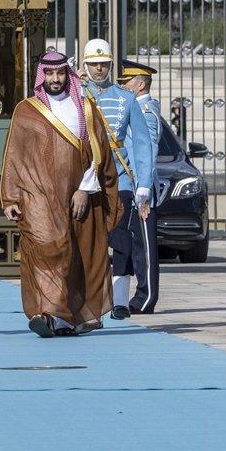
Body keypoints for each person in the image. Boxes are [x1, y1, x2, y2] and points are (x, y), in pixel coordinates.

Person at [1, 51, 120, 337]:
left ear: (68, 74)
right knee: (46, 249)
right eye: (50, 73)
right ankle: (47, 313)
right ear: (42, 75)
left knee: (76, 254)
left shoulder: (86, 107)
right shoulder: (27, 110)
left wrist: (84, 189)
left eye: (60, 73)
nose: (55, 79)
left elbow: (98, 154)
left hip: (78, 195)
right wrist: (10, 197)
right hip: (37, 198)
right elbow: (14, 156)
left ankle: (66, 318)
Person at [79, 40, 155, 321]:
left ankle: (120, 299)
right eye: (94, 64)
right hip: (85, 178)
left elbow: (143, 143)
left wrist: (143, 183)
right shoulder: (77, 95)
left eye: (105, 64)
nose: (100, 69)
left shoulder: (126, 98)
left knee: (121, 237)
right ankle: (90, 300)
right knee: (89, 240)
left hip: (119, 177)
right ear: (85, 65)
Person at [119, 59, 163, 314]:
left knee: (145, 247)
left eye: (127, 81)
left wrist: (142, 188)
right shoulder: (134, 108)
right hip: (131, 184)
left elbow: (149, 150)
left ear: (141, 84)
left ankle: (146, 298)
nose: (123, 85)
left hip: (140, 188)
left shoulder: (146, 110)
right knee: (133, 244)